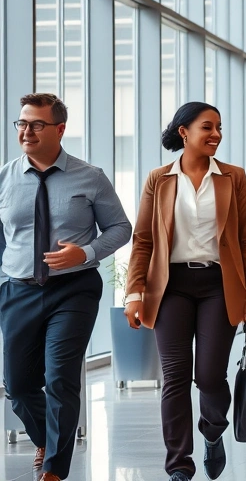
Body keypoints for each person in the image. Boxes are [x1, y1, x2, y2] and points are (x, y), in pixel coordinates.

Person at [125, 102, 246, 481]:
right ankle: (179, 465)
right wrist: (134, 292)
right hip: (170, 286)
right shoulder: (159, 178)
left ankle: (213, 430)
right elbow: (143, 239)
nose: (216, 134)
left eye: (219, 127)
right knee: (175, 376)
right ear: (184, 132)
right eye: (208, 127)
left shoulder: (234, 177)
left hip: (219, 285)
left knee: (210, 375)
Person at [0, 93, 132, 481]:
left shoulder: (90, 176)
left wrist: (86, 253)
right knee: (18, 385)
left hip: (72, 290)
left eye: (36, 124)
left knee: (60, 376)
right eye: (22, 123)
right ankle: (44, 437)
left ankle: (55, 468)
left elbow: (121, 228)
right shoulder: (5, 178)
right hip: (18, 290)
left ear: (59, 129)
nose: (26, 131)